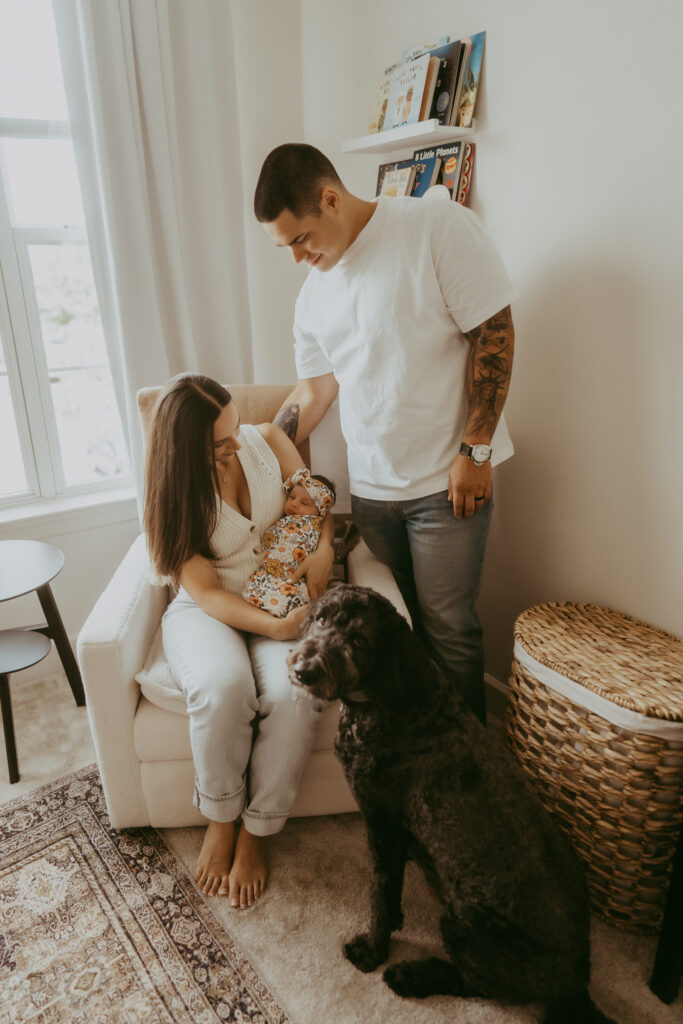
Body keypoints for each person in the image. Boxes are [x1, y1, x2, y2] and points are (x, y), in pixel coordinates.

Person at [253, 143, 516, 724]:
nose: (297, 257)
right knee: (404, 628)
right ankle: (419, 753)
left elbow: (494, 334)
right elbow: (314, 393)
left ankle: (465, 768)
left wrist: (476, 450)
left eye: (300, 239)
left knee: (449, 630)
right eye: (285, 247)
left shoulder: (433, 225)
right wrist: (253, 446)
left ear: (329, 198)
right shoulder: (312, 296)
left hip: (446, 484)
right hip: (372, 491)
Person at [143, 374, 334, 908]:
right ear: (184, 452)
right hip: (212, 610)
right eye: (219, 443)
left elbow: (315, 507)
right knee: (224, 688)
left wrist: (322, 551)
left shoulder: (267, 439)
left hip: (282, 596)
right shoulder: (172, 494)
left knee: (297, 690)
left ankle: (257, 828)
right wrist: (272, 629)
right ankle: (221, 818)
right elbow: (203, 590)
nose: (235, 445)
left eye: (233, 430)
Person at [244, 468, 336, 618]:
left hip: (291, 572)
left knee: (290, 591)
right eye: (292, 497)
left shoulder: (311, 524)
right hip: (269, 567)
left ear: (319, 513)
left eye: (304, 503)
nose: (294, 504)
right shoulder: (285, 519)